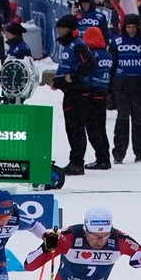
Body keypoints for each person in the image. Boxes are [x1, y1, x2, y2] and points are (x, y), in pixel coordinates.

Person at [51, 14, 94, 175]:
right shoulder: (70, 45)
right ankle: (74, 161)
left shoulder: (78, 45)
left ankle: (77, 162)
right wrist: (58, 81)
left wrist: (73, 77)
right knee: (71, 128)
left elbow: (89, 65)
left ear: (67, 29)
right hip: (70, 92)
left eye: (60, 29)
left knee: (76, 128)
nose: (58, 32)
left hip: (78, 93)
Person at [110, 14, 141, 164]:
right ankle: (118, 153)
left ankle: (140, 152)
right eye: (128, 27)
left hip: (140, 84)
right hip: (122, 84)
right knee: (122, 118)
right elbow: (112, 63)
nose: (131, 30)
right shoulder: (116, 41)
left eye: (133, 27)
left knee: (139, 120)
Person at [82, 26, 113, 170]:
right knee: (101, 126)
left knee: (92, 127)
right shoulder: (107, 54)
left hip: (92, 93)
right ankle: (104, 156)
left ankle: (102, 158)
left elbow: (87, 72)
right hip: (103, 92)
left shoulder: (92, 54)